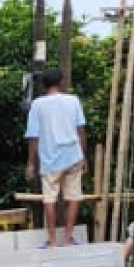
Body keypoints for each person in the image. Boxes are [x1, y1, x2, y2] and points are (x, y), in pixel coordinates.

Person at [24, 68, 88, 248]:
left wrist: (31, 162)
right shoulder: (73, 101)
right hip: (73, 155)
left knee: (50, 199)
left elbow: (33, 136)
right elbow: (80, 130)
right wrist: (83, 156)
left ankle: (52, 240)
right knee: (74, 197)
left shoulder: (38, 105)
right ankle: (68, 238)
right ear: (61, 83)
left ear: (43, 86)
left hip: (50, 159)